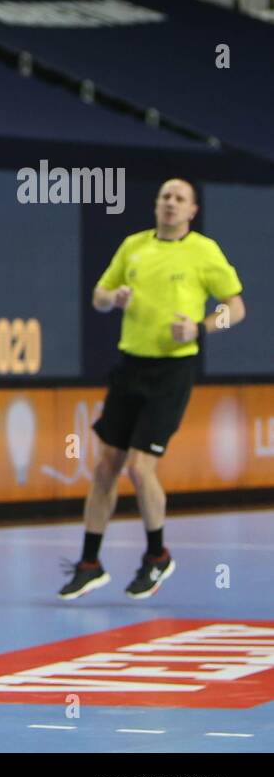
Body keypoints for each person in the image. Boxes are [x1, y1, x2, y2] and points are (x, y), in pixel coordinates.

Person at [59, 178, 245, 600]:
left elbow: (236, 307)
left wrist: (200, 327)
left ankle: (157, 556)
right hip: (130, 367)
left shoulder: (204, 252)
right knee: (106, 465)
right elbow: (99, 296)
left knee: (140, 468)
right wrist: (114, 297)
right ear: (156, 204)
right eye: (165, 196)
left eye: (180, 198)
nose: (171, 204)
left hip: (173, 371)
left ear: (192, 210)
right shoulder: (134, 246)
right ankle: (90, 564)